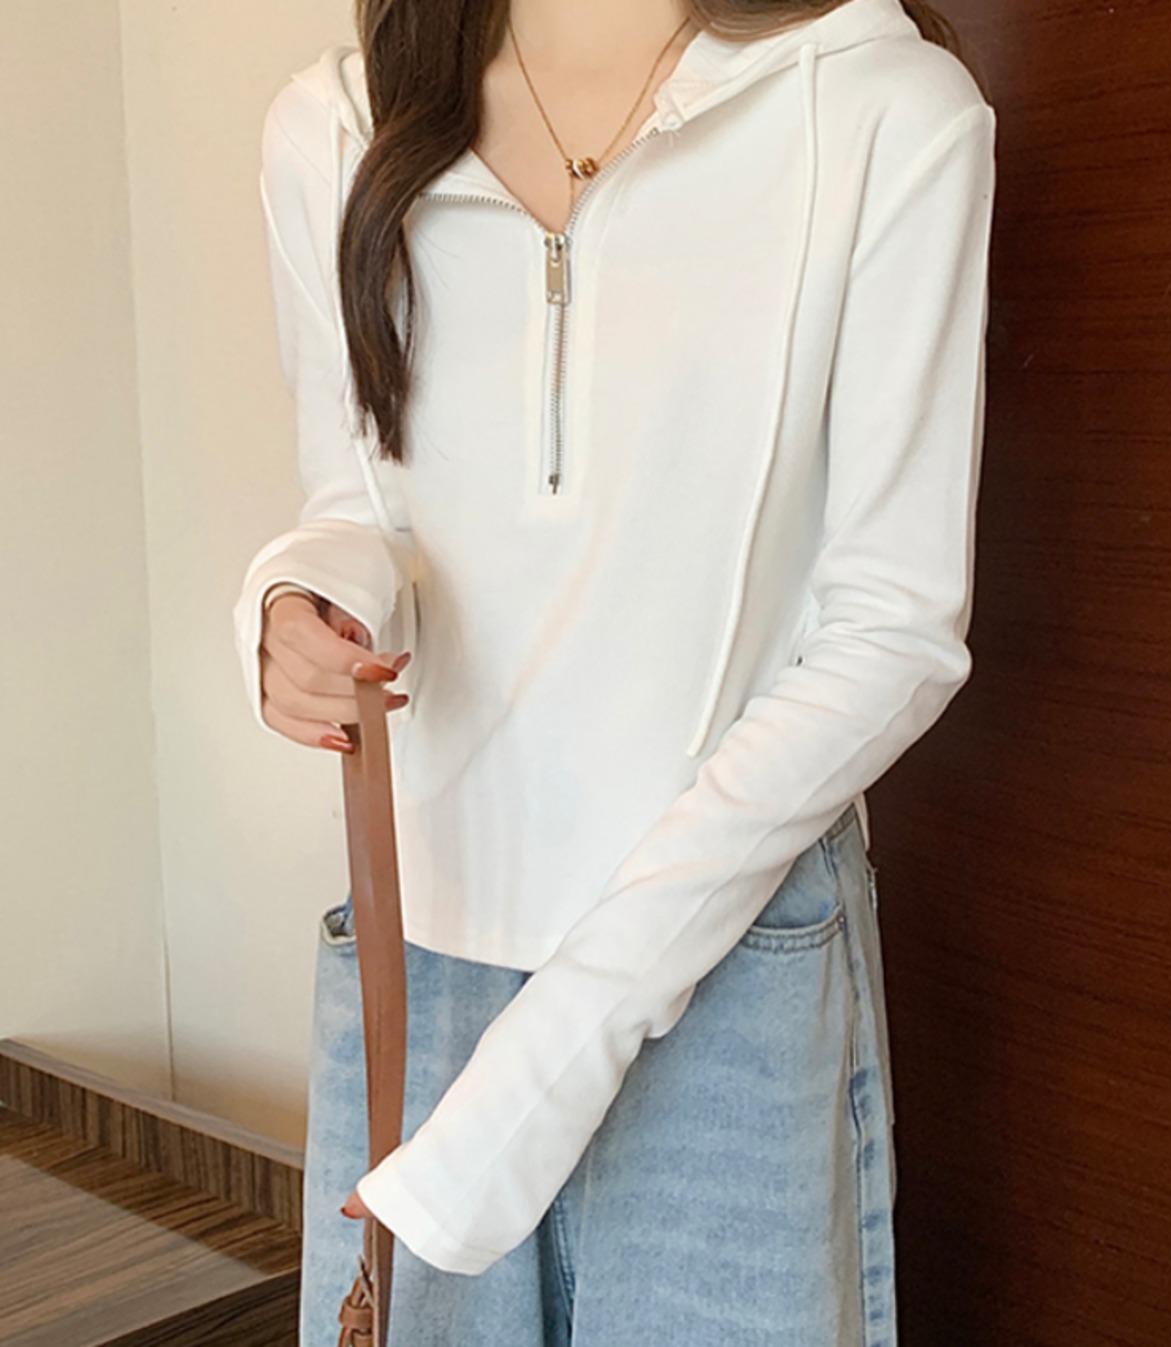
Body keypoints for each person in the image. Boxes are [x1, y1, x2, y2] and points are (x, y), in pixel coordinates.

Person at [232, 0, 996, 1341]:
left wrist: (564, 1047)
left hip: (735, 954)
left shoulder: (886, 112)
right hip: (428, 949)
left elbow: (893, 628)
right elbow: (362, 505)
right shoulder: (336, 130)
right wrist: (297, 596)